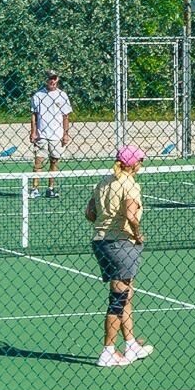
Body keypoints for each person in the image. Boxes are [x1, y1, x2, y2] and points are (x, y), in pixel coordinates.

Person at [88, 146, 151, 369]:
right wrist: (137, 234)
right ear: (133, 164)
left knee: (126, 295)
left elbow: (90, 214)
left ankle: (131, 345)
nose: (142, 164)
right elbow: (132, 215)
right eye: (140, 161)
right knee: (117, 300)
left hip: (100, 242)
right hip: (121, 245)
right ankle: (107, 352)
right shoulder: (130, 185)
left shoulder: (104, 181)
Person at [29, 71, 75, 199]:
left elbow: (66, 116)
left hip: (57, 135)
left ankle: (50, 189)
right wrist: (33, 131)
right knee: (38, 161)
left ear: (57, 79)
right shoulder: (38, 95)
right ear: (46, 80)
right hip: (42, 134)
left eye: (54, 79)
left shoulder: (62, 95)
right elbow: (34, 115)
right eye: (50, 79)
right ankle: (35, 189)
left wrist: (65, 134)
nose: (52, 81)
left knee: (54, 161)